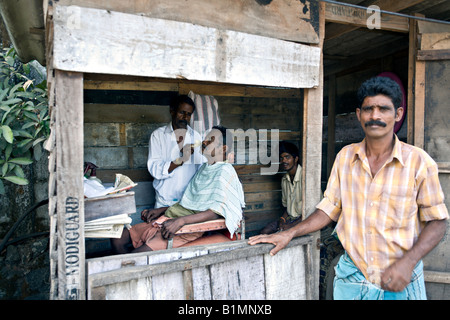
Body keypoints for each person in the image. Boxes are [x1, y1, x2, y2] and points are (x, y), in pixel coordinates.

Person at [249, 76, 449, 300]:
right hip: (353, 280)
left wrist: (409, 262)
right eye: (368, 109)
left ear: (398, 114)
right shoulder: (345, 157)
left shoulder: (419, 162)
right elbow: (329, 208)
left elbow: (437, 222)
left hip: (401, 279)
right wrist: (289, 234)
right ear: (358, 114)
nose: (375, 115)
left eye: (383, 109)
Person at [111, 126, 245, 253]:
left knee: (135, 256)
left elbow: (216, 211)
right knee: (116, 238)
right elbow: (190, 203)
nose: (204, 142)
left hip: (185, 229)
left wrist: (181, 221)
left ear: (223, 148)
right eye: (206, 138)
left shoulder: (224, 171)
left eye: (210, 140)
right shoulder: (205, 168)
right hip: (170, 217)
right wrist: (160, 210)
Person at [143, 95, 205, 220]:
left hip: (187, 204)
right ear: (172, 111)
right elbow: (155, 169)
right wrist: (181, 160)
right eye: (182, 112)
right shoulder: (158, 136)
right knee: (162, 236)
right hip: (164, 201)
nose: (185, 118)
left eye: (188, 114)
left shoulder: (196, 136)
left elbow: (201, 170)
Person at [260, 141, 302, 234]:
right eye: (281, 158)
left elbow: (313, 211)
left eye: (287, 157)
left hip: (304, 221)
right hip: (290, 219)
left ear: (295, 159)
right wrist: (282, 220)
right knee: (265, 232)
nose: (284, 161)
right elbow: (287, 207)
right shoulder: (284, 180)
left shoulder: (306, 178)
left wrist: (290, 226)